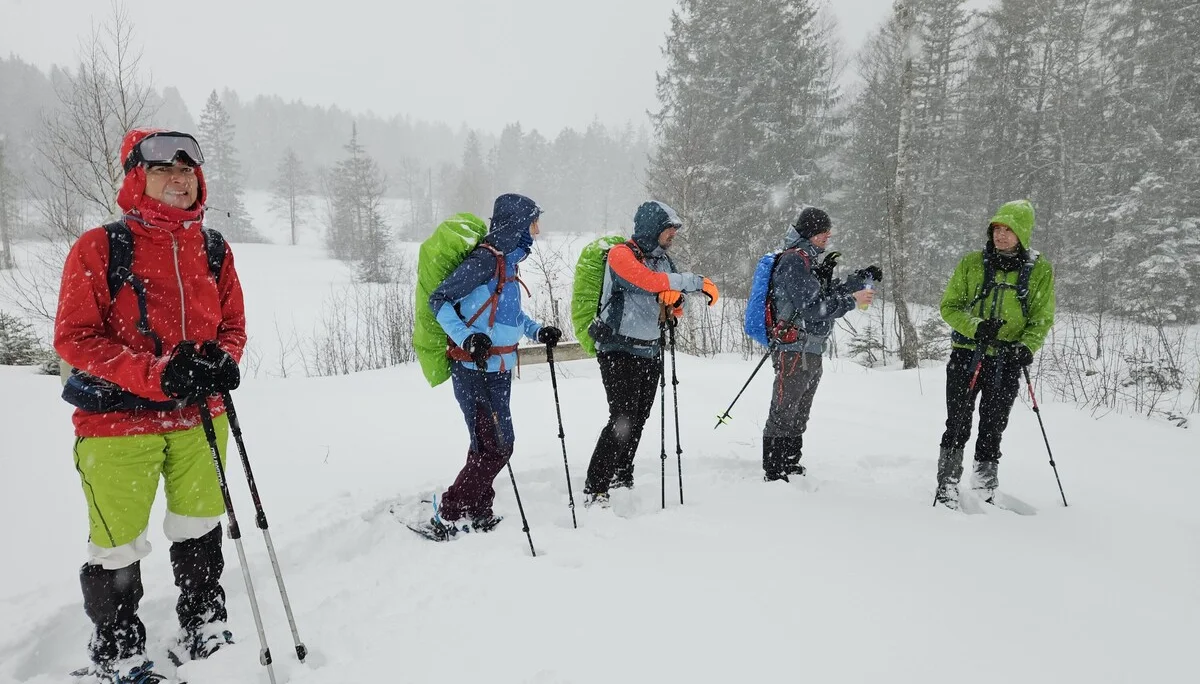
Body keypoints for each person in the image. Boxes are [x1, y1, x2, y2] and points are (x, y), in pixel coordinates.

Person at [54, 128, 246, 682]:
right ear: (137, 177)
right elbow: (75, 338)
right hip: (117, 422)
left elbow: (232, 325)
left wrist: (222, 360)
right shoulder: (100, 246)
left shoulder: (213, 247)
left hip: (199, 419)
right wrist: (158, 374)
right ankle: (118, 647)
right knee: (116, 544)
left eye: (186, 171)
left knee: (200, 525)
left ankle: (204, 619)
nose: (178, 180)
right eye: (164, 171)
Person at [422, 193, 561, 540]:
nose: (538, 231)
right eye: (533, 222)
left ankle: (479, 508)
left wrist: (536, 329)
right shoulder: (485, 260)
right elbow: (438, 299)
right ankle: (450, 512)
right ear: (516, 224)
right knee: (499, 445)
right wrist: (467, 337)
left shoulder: (508, 264)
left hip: (498, 369)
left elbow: (510, 315)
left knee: (485, 443)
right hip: (473, 369)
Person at [580, 200, 719, 507]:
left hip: (649, 350)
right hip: (618, 349)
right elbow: (644, 282)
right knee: (622, 418)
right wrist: (694, 282)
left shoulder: (664, 262)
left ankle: (622, 471)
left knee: (638, 418)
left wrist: (675, 301)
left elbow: (672, 303)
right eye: (668, 230)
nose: (672, 236)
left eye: (673, 231)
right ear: (651, 229)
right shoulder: (621, 255)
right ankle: (596, 485)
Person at [935, 199, 1054, 508]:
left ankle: (985, 483)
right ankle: (947, 482)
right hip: (967, 354)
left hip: (1006, 360)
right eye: (996, 229)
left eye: (1008, 230)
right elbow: (949, 306)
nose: (1000, 236)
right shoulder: (972, 263)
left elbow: (1042, 317)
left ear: (1022, 233)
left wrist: (1026, 346)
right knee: (958, 421)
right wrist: (976, 327)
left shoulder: (1039, 270)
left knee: (993, 424)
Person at [761, 207, 879, 481]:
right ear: (811, 233)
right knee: (784, 408)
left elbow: (823, 293)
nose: (828, 236)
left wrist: (858, 279)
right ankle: (774, 469)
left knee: (799, 410)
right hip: (793, 348)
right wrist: (853, 300)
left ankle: (790, 462)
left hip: (810, 348)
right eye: (823, 232)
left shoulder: (808, 261)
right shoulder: (794, 261)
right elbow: (813, 307)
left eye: (828, 231)